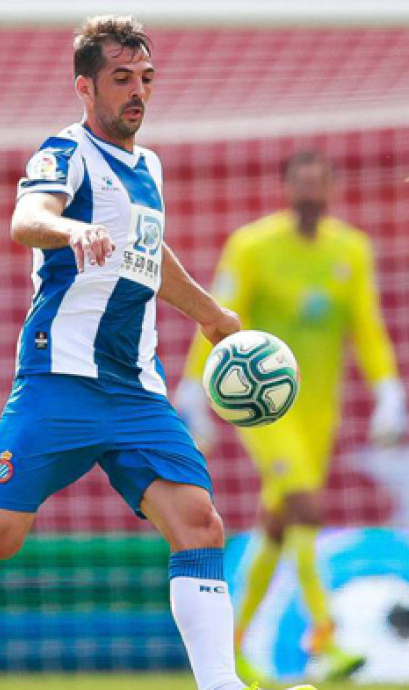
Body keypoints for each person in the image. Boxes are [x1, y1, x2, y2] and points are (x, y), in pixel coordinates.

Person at [0, 16, 317, 690]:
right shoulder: (64, 153)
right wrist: (68, 228)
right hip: (60, 381)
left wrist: (211, 315)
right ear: (86, 87)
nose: (137, 93)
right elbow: (27, 220)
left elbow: (147, 252)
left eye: (145, 80)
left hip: (136, 388)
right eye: (121, 80)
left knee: (200, 523)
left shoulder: (149, 167)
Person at [176, 150, 407, 684]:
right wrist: (194, 388)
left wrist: (388, 389)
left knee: (278, 528)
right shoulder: (253, 247)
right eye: (300, 184)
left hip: (319, 412)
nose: (310, 194)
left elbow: (367, 328)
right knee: (307, 507)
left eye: (318, 184)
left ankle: (233, 649)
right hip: (263, 411)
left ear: (330, 190)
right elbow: (216, 318)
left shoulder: (352, 249)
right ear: (286, 189)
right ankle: (323, 636)